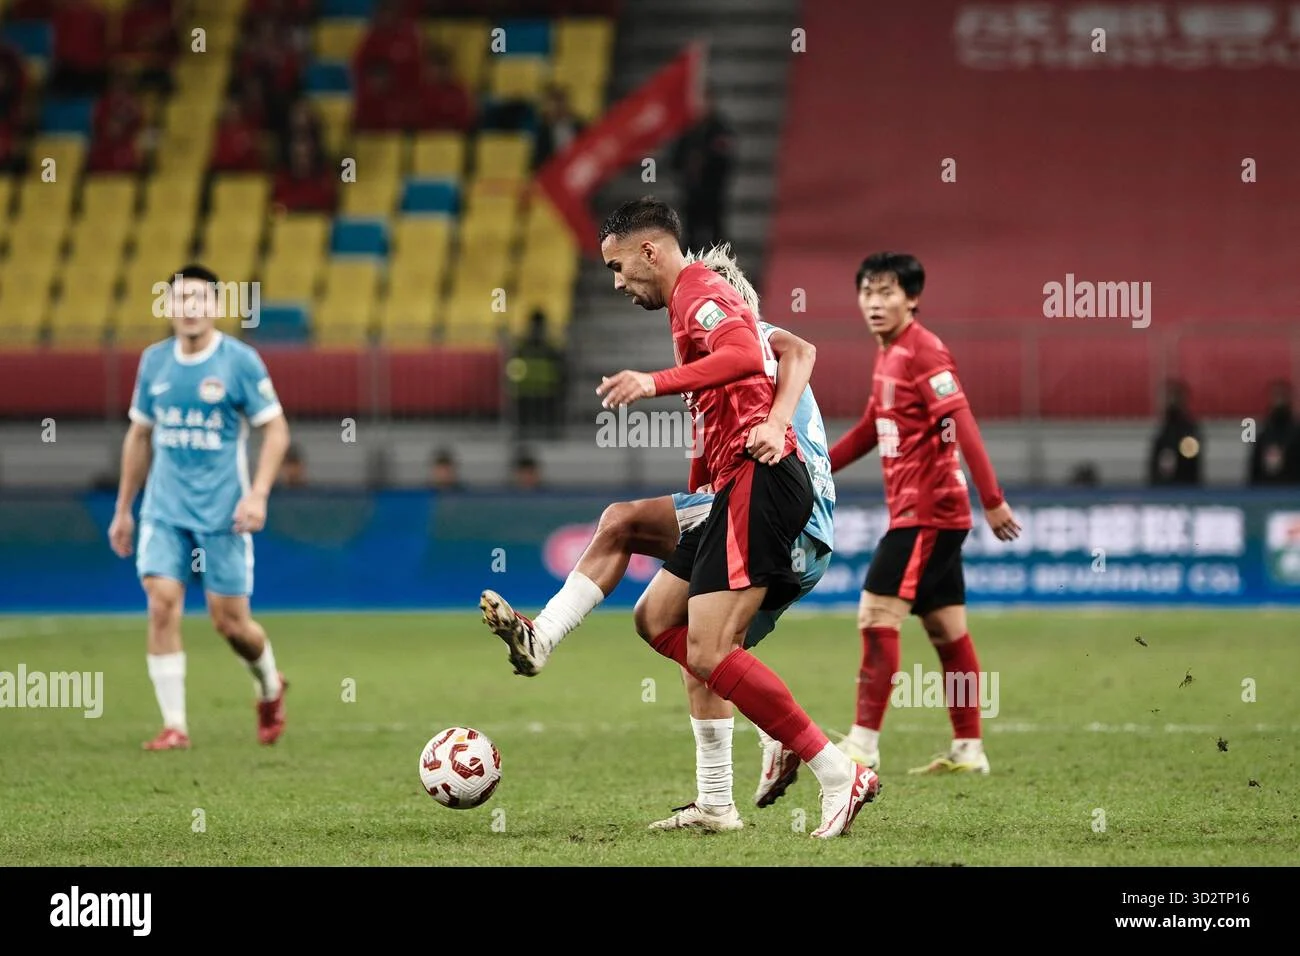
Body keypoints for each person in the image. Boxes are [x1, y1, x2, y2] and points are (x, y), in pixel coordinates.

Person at [488, 198, 878, 839]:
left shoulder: (703, 293)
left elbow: (763, 356)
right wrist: (696, 510)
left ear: (651, 251)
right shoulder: (694, 313)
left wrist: (653, 382)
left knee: (707, 646)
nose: (615, 283)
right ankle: (716, 800)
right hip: (736, 490)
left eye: (618, 267)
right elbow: (721, 424)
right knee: (654, 611)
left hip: (774, 489)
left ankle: (838, 773)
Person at [827, 252, 1020, 776]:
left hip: (927, 512)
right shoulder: (888, 352)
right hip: (927, 513)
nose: (874, 303)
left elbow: (963, 422)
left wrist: (993, 497)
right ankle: (969, 750)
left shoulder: (924, 351)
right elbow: (872, 425)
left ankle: (863, 745)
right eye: (868, 292)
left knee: (874, 615)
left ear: (912, 298)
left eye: (887, 292)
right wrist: (818, 466)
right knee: (946, 630)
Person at [108, 264, 292, 751]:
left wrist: (258, 494)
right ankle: (175, 726)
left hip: (224, 514)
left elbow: (276, 429)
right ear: (167, 307)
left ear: (215, 307)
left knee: (231, 624)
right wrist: (124, 508)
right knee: (161, 604)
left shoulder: (240, 362)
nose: (190, 307)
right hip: (164, 509)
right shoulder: (154, 363)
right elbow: (139, 435)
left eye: (201, 299)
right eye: (181, 298)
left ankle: (270, 686)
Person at [1148, 379, 1202, 485]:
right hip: (1163, 486)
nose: (1172, 402)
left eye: (1175, 398)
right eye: (1169, 398)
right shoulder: (1163, 428)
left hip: (1185, 483)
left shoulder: (1189, 429)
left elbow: (1191, 455)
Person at [1248, 380, 1296, 485]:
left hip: (1292, 492)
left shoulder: (1296, 434)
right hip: (1267, 492)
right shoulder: (1264, 435)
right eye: (1276, 396)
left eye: (1282, 397)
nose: (1279, 402)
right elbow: (1254, 469)